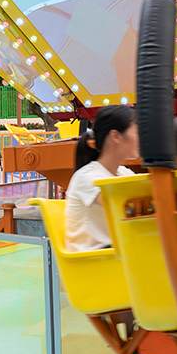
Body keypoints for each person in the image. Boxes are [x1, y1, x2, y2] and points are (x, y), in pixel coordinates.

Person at [63, 105, 138, 252]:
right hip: (94, 259)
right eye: (136, 131)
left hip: (114, 254)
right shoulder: (87, 177)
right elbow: (126, 207)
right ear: (116, 136)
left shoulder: (123, 172)